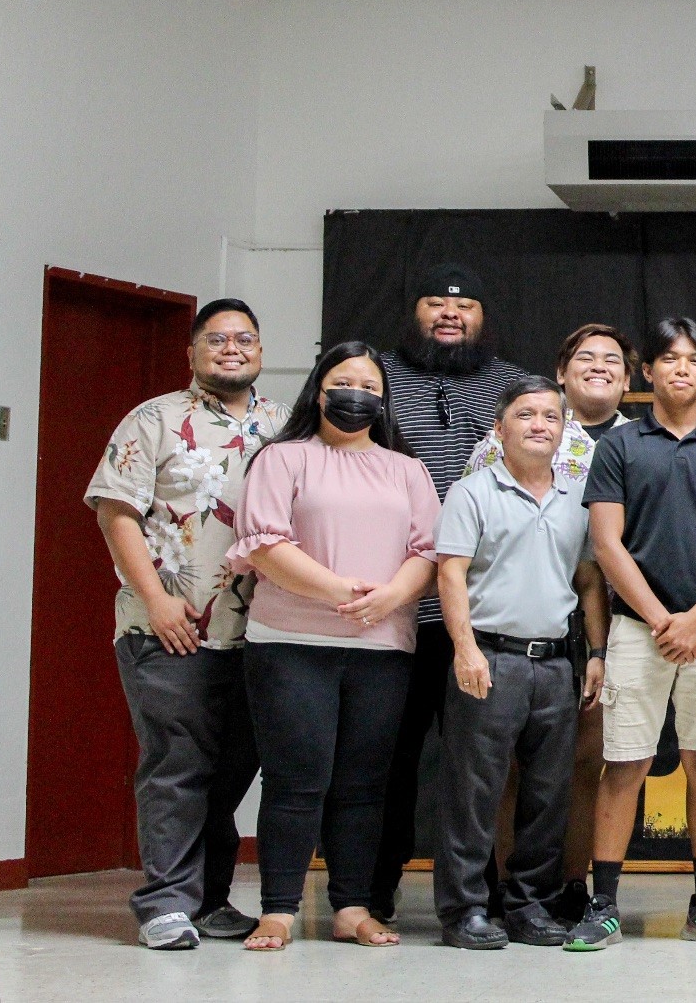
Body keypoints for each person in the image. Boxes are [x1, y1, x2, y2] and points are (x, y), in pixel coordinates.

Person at [86, 299, 286, 950]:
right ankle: (166, 902)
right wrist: (158, 598)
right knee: (178, 764)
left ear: (260, 350)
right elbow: (116, 513)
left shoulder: (283, 425)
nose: (233, 348)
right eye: (217, 338)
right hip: (168, 628)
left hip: (256, 633)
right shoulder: (155, 420)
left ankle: (209, 897)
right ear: (193, 353)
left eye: (246, 338)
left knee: (232, 769)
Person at [228, 342, 441, 951]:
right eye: (343, 382)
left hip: (384, 646)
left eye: (370, 386)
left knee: (364, 783)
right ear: (319, 391)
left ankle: (352, 906)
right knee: (296, 780)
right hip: (291, 644)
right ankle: (278, 909)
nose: (357, 395)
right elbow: (264, 543)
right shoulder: (283, 458)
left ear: (383, 399)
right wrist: (342, 591)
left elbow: (427, 551)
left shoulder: (408, 469)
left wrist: (390, 598)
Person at [567, 318, 696, 951]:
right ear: (646, 372)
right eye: (668, 359)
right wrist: (660, 619)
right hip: (636, 630)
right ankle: (604, 906)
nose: (681, 369)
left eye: (694, 360)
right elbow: (606, 543)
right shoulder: (621, 447)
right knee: (622, 765)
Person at [371, 264, 529, 922]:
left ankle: (479, 895)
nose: (448, 314)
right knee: (388, 757)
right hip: (391, 606)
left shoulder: (513, 385)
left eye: (462, 305)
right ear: (413, 311)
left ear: (483, 317)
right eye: (434, 301)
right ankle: (371, 887)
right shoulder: (375, 374)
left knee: (480, 765)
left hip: (478, 611)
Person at [462, 323, 633, 919]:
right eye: (584, 357)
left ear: (629, 378)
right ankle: (506, 889)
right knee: (513, 767)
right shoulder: (518, 434)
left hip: (620, 622)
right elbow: (470, 537)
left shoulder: (641, 441)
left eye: (612, 360)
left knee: (584, 766)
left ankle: (566, 886)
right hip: (524, 627)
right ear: (560, 372)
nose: (598, 367)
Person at [434, 378, 608, 949]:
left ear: (563, 432)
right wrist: (465, 650)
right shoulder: (472, 492)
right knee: (473, 791)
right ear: (499, 428)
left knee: (548, 794)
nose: (539, 424)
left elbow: (587, 581)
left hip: (556, 665)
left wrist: (597, 652)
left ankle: (529, 905)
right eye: (525, 414)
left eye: (550, 417)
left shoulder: (576, 499)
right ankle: (464, 910)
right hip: (489, 659)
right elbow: (451, 574)